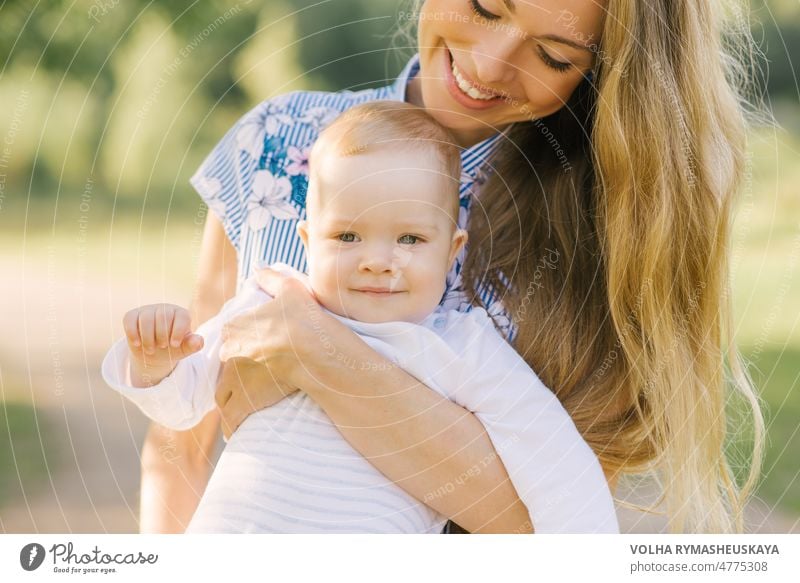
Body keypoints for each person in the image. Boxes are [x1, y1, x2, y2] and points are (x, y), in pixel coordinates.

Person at [139, 0, 763, 534]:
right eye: (487, 5)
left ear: (600, 75)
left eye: (553, 56)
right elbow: (181, 439)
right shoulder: (275, 138)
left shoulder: (606, 225)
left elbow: (540, 517)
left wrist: (314, 347)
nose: (488, 67)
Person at [103, 101, 618, 534]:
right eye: (347, 236)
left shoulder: (463, 347)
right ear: (308, 242)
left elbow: (554, 458)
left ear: (451, 251)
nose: (377, 259)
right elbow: (181, 406)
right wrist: (155, 360)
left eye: (410, 239)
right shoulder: (271, 303)